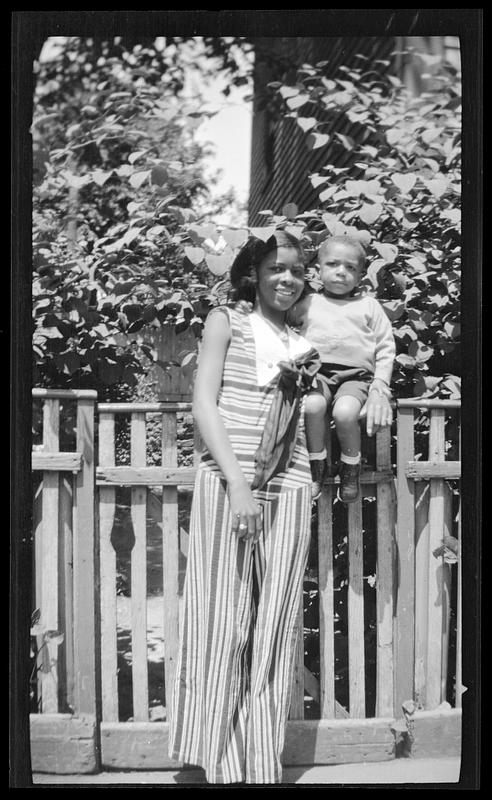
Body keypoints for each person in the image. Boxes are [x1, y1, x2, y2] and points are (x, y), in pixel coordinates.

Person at [168, 231, 320, 784]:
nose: (287, 278)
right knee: (219, 619)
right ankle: (215, 758)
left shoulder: (303, 338)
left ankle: (257, 762)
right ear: (253, 273)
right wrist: (236, 482)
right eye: (277, 268)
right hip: (225, 481)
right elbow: (203, 403)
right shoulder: (225, 321)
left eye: (298, 271)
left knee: (275, 622)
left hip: (292, 484)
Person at [290, 235, 395, 503]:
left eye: (350, 267)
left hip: (355, 377)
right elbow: (280, 327)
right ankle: (318, 466)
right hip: (317, 372)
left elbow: (385, 347)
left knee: (346, 412)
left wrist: (380, 385)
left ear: (360, 275)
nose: (341, 272)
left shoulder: (368, 306)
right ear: (318, 270)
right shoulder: (308, 303)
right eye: (333, 264)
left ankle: (351, 467)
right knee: (312, 406)